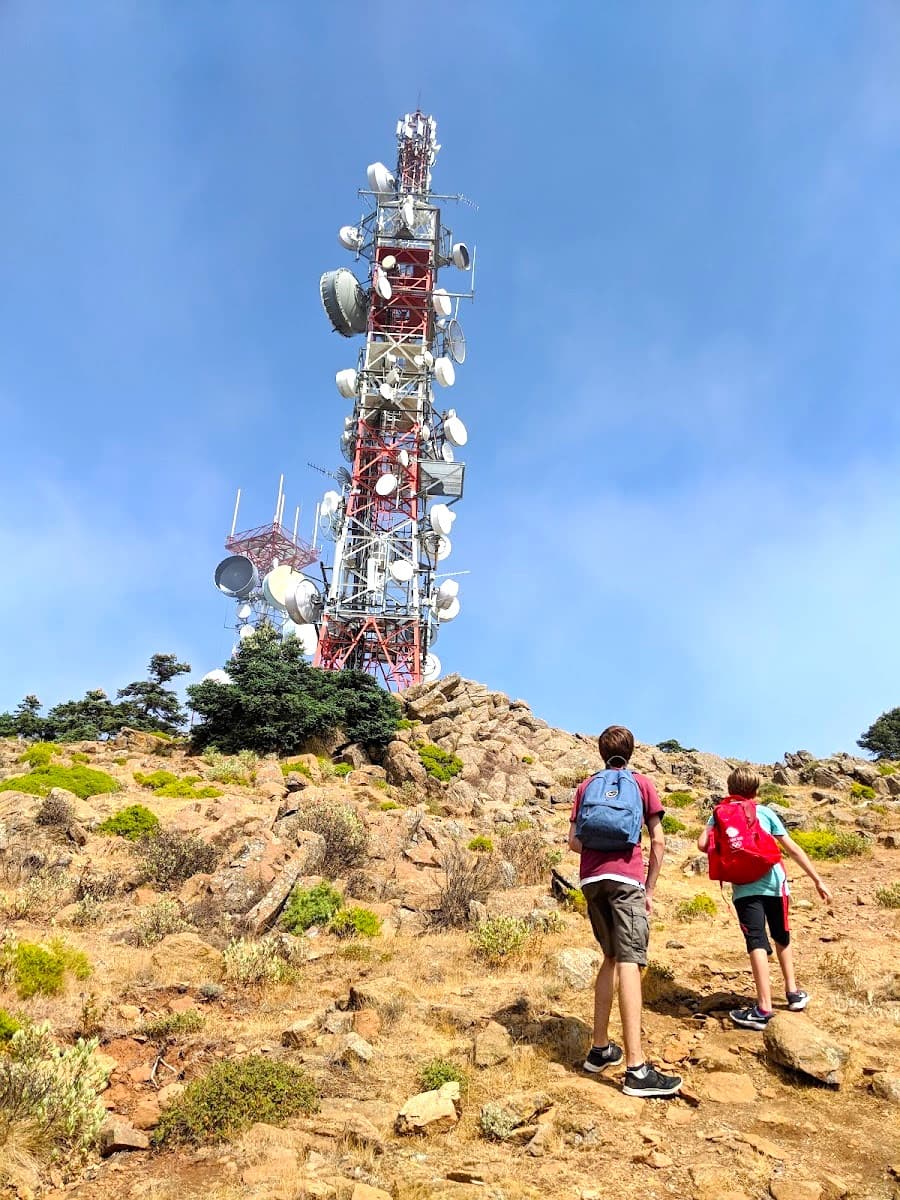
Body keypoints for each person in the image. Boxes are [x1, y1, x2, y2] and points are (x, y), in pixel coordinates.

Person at [568, 725, 682, 1098]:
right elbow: (659, 842)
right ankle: (636, 1069)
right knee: (631, 960)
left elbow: (574, 843)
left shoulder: (586, 786)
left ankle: (600, 1049)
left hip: (591, 881)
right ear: (631, 751)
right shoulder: (642, 784)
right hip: (626, 880)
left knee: (610, 957)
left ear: (601, 752)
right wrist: (647, 888)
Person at [697, 766, 833, 1030]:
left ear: (730, 789)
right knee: (781, 936)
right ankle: (793, 993)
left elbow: (702, 844)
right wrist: (818, 880)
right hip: (775, 885)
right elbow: (792, 848)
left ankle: (763, 1007)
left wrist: (714, 822)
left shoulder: (720, 814)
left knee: (756, 940)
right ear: (756, 791)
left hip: (745, 890)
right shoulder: (766, 812)